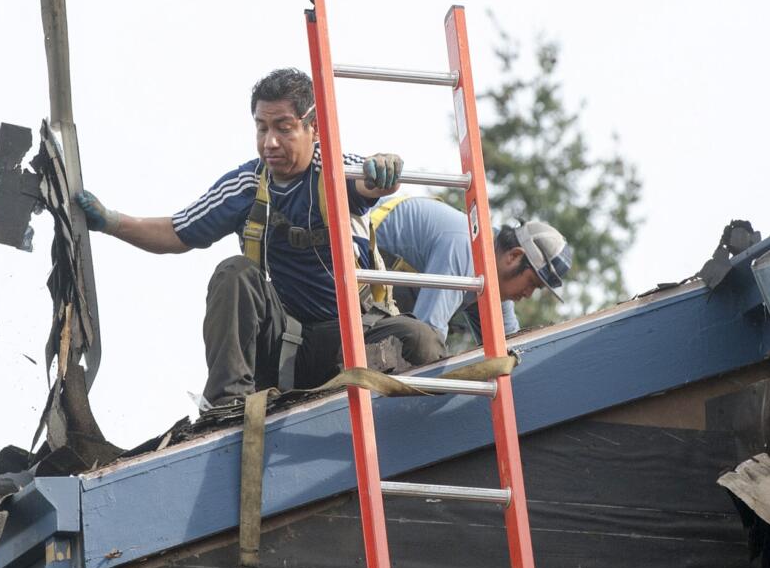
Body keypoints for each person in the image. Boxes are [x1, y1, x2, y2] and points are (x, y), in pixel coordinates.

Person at [73, 67, 445, 405]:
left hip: (356, 341)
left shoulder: (332, 171)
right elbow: (176, 232)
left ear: (313, 128)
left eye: (283, 127)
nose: (270, 142)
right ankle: (225, 404)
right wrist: (111, 222)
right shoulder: (245, 186)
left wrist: (382, 168)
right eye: (261, 127)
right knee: (234, 272)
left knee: (421, 338)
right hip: (287, 348)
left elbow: (367, 180)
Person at [369, 195, 573, 346]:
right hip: (353, 260)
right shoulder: (466, 248)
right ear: (514, 256)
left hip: (378, 297)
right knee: (425, 347)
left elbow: (511, 347)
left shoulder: (494, 282)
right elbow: (427, 335)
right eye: (531, 283)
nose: (528, 294)